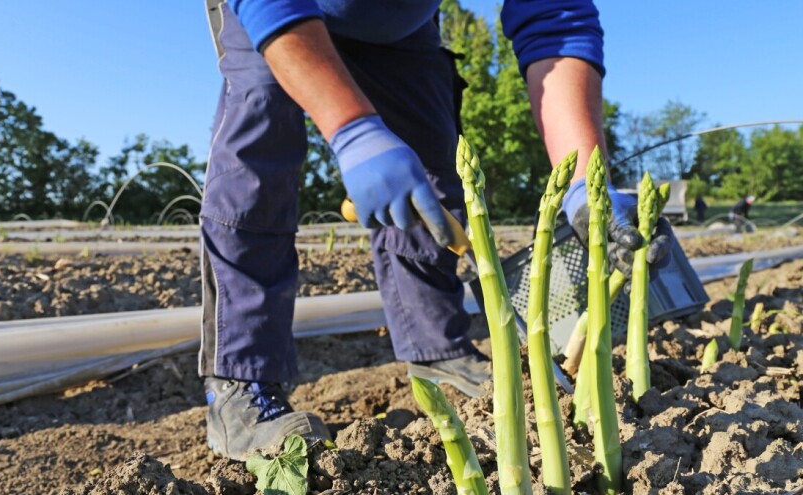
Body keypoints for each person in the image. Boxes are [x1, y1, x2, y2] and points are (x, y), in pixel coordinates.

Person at [198, 0, 672, 460]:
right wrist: (351, 128)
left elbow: (555, 18)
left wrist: (585, 186)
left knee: (433, 161)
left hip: (401, 23)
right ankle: (241, 381)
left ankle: (435, 349)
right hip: (276, 9)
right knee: (257, 160)